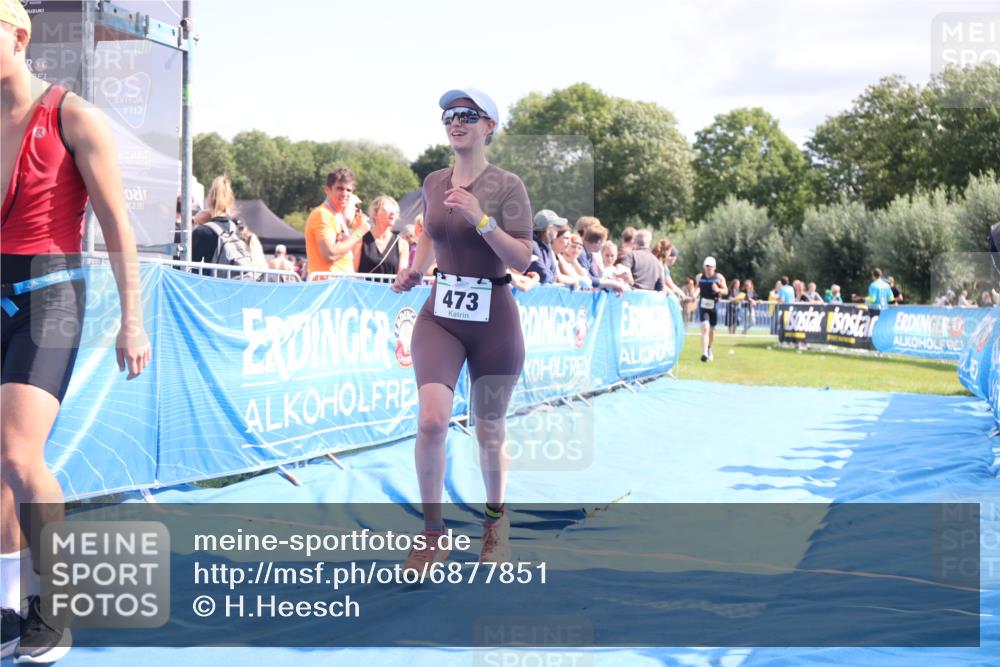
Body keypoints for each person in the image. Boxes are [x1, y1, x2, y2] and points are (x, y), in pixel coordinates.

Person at [1, 4, 151, 661]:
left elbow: (118, 222)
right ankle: (8, 605)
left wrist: (133, 319)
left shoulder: (73, 115)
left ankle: (56, 606)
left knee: (16, 452)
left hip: (50, 294)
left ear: (19, 35)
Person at [390, 87, 532, 570]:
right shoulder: (433, 181)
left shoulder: (508, 185)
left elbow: (523, 256)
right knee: (431, 420)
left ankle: (496, 522)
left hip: (494, 314)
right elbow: (430, 233)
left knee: (488, 428)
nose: (456, 121)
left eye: (468, 115)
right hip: (441, 315)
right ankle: (433, 532)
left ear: (489, 126)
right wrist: (415, 268)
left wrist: (483, 219)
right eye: (450, 115)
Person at [304, 168, 370, 279]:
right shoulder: (322, 214)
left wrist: (356, 230)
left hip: (340, 287)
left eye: (349, 190)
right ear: (327, 190)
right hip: (327, 288)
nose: (345, 194)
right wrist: (359, 232)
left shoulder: (337, 214)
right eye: (340, 188)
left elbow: (346, 252)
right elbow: (330, 254)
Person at [190, 175, 245, 276]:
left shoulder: (202, 231)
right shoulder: (234, 229)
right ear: (230, 201)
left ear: (210, 200)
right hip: (232, 284)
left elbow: (188, 266)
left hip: (210, 286)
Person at [355, 195, 408, 276]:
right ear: (375, 214)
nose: (392, 213)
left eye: (395, 211)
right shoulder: (361, 240)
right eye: (387, 209)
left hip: (390, 288)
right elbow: (353, 273)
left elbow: (401, 276)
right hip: (364, 288)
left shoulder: (402, 244)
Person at [694, 257, 727, 361]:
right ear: (704, 266)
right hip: (703, 305)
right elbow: (697, 288)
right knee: (705, 328)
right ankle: (704, 353)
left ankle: (709, 348)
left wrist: (718, 290)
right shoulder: (700, 277)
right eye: (707, 266)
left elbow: (726, 291)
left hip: (714, 306)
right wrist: (693, 296)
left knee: (712, 330)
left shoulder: (719, 277)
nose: (709, 268)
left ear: (715, 267)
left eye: (711, 266)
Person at [526, 209, 562, 285]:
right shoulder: (532, 244)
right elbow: (543, 276)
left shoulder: (547, 245)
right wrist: (551, 277)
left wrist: (551, 277)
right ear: (549, 227)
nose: (558, 230)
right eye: (557, 226)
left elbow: (554, 274)